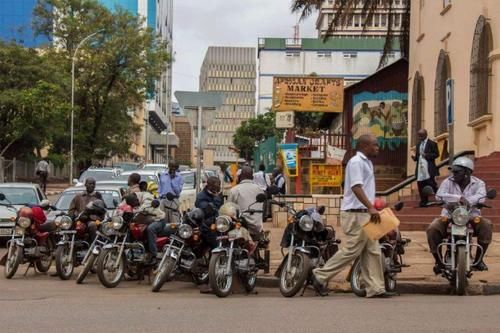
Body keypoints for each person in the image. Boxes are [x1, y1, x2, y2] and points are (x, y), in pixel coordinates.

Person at [310, 134, 393, 298]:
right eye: (375, 145)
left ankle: (376, 288)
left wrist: (373, 206)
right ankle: (319, 275)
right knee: (352, 250)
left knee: (373, 250)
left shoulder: (367, 162)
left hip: (366, 214)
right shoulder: (356, 162)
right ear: (365, 146)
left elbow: (364, 189)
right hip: (356, 214)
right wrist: (370, 207)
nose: (378, 148)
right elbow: (356, 187)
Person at [426, 156, 492, 273]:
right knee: (432, 228)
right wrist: (458, 198)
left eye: (457, 171)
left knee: (486, 225)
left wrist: (469, 200)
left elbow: (481, 197)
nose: (454, 174)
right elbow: (439, 195)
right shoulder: (448, 181)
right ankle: (438, 261)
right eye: (453, 171)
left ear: (467, 172)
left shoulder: (479, 183)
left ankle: (479, 260)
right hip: (449, 215)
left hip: (471, 216)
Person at [194, 176, 224, 294]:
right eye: (215, 184)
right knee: (217, 247)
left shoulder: (216, 195)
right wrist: (216, 199)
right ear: (209, 185)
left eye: (218, 184)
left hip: (214, 225)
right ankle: (213, 278)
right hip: (204, 227)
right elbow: (210, 209)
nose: (217, 186)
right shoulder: (202, 196)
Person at [227, 166, 265, 236]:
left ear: (240, 177)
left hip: (240, 226)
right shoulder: (260, 190)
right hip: (257, 226)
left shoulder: (234, 190)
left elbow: (228, 209)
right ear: (252, 177)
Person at [67, 177, 103, 242]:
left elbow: (103, 210)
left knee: (92, 225)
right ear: (85, 184)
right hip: (80, 220)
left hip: (92, 221)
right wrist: (71, 216)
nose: (92, 185)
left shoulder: (97, 196)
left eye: (93, 184)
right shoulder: (78, 196)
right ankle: (70, 244)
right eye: (90, 183)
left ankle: (94, 245)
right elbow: (71, 210)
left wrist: (98, 217)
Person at [411, 129, 439, 207]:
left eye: (421, 136)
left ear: (426, 135)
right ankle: (423, 201)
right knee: (420, 184)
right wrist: (414, 157)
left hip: (428, 168)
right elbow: (417, 157)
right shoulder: (418, 144)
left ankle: (440, 198)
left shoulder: (432, 143)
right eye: (419, 136)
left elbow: (436, 154)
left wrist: (426, 155)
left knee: (432, 184)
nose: (420, 138)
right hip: (420, 169)